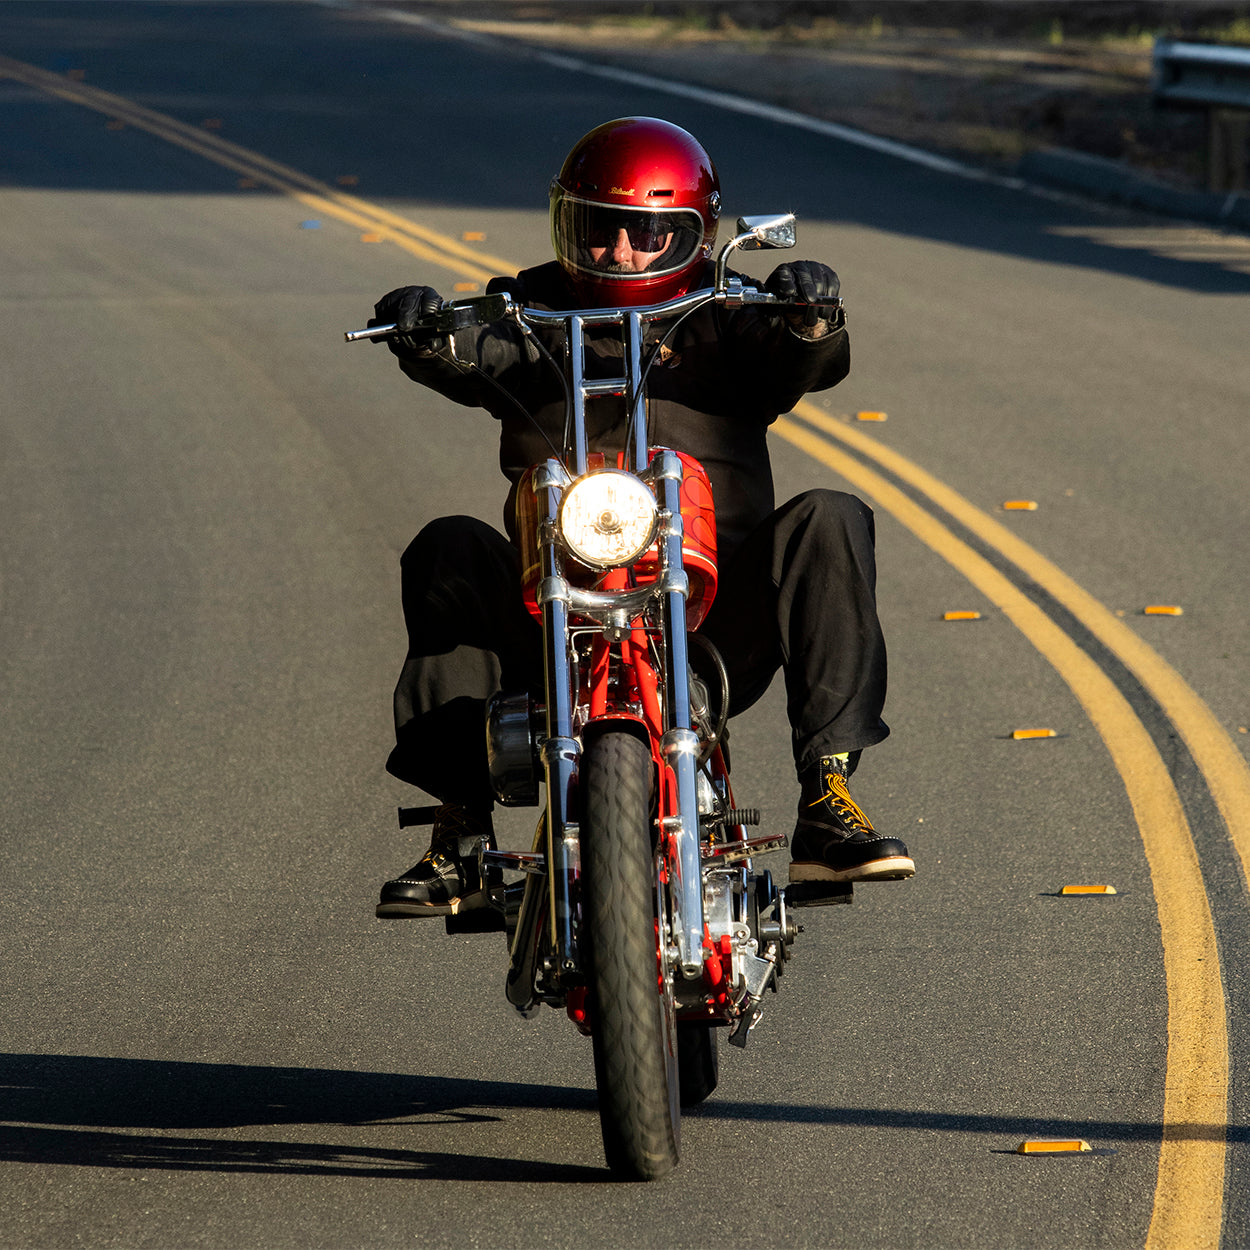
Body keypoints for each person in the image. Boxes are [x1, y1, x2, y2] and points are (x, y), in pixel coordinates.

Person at [369, 116, 914, 919]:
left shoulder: (728, 313)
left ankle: (827, 797)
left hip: (715, 619)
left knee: (830, 516)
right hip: (550, 605)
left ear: (695, 234)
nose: (620, 252)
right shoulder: (528, 310)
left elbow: (800, 355)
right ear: (568, 224)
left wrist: (809, 319)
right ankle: (460, 830)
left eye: (647, 233)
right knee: (446, 546)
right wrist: (423, 333)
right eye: (599, 229)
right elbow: (470, 349)